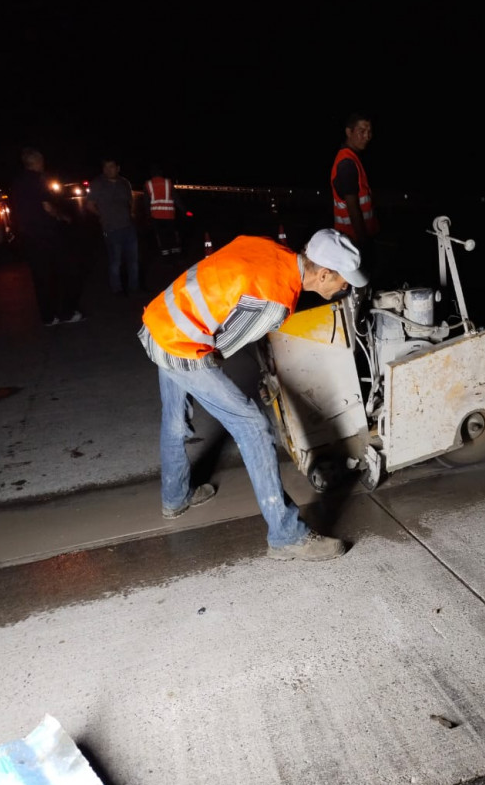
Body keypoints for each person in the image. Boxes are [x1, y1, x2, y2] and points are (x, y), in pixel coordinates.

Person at [138, 228, 368, 560]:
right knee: (253, 427)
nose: (343, 289)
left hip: (163, 318)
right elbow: (219, 350)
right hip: (182, 342)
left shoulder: (271, 248)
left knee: (175, 418)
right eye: (343, 283)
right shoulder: (275, 301)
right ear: (323, 274)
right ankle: (286, 535)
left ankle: (175, 497)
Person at [9, 148, 84, 326]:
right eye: (41, 161)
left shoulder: (17, 183)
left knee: (40, 276)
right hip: (46, 234)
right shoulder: (38, 180)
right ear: (36, 162)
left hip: (29, 235)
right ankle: (66, 312)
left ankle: (48, 317)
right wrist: (62, 217)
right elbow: (47, 207)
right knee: (65, 272)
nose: (43, 164)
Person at [330, 111, 380, 276]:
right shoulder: (347, 163)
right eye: (362, 131)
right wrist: (363, 243)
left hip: (353, 240)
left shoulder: (352, 158)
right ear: (349, 132)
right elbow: (353, 207)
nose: (367, 136)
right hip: (354, 241)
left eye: (369, 131)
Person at [86, 158, 140, 295]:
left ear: (118, 168)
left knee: (133, 260)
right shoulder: (97, 183)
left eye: (111, 167)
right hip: (111, 228)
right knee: (115, 261)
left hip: (128, 227)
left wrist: (131, 214)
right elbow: (90, 205)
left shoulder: (124, 182)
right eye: (105, 167)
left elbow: (130, 201)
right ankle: (117, 289)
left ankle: (134, 287)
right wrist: (102, 216)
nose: (108, 170)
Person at [143, 163, 187, 259]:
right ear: (161, 172)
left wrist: (148, 216)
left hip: (156, 216)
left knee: (162, 237)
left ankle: (166, 257)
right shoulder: (168, 183)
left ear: (151, 173)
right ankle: (177, 256)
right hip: (169, 215)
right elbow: (176, 198)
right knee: (172, 236)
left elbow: (146, 202)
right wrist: (184, 211)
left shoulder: (148, 184)